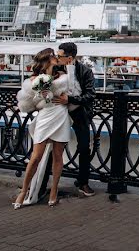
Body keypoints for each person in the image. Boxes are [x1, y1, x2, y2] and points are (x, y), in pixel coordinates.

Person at [13, 48, 71, 208]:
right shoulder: (34, 79)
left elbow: (72, 93)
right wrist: (41, 96)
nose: (55, 57)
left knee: (59, 155)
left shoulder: (63, 77)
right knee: (36, 156)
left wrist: (68, 99)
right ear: (46, 60)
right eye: (52, 56)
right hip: (46, 116)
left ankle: (54, 191)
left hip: (61, 114)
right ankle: (24, 191)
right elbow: (28, 103)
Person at [52, 41, 96, 197]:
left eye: (60, 56)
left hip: (79, 113)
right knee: (52, 147)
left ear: (69, 58)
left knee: (84, 147)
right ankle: (47, 182)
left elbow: (90, 95)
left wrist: (70, 100)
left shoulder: (85, 71)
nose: (57, 58)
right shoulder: (55, 68)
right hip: (58, 111)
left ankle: (83, 182)